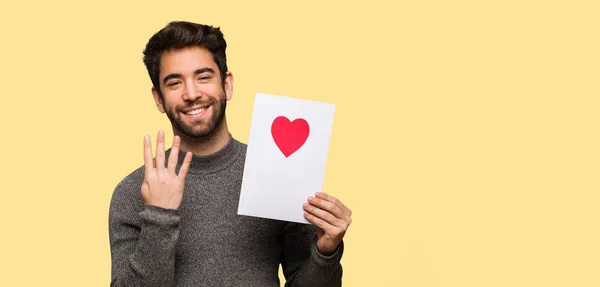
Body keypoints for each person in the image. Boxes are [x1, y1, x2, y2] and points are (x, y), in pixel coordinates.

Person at [108, 21, 352, 287]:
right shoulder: (133, 190)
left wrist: (326, 252)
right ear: (158, 98)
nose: (191, 94)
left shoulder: (278, 173)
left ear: (227, 84)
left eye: (204, 77)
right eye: (175, 82)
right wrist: (159, 215)